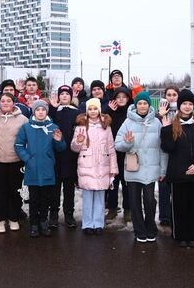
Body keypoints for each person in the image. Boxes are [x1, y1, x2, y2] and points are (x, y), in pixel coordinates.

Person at [160, 89, 194, 248]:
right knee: (179, 206)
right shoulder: (172, 123)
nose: (187, 107)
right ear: (179, 105)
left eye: (190, 104)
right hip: (178, 174)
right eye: (184, 104)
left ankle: (191, 235)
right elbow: (167, 147)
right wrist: (166, 129)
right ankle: (180, 235)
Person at [115, 91, 166, 243]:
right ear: (135, 105)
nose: (142, 106)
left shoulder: (157, 123)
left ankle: (151, 228)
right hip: (133, 168)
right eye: (139, 103)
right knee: (134, 201)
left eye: (145, 103)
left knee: (150, 200)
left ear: (149, 105)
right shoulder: (127, 122)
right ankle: (139, 231)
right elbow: (118, 145)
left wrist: (163, 170)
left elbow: (163, 149)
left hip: (151, 169)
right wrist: (128, 143)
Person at [15, 100, 66, 238]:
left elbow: (61, 148)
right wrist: (27, 158)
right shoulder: (26, 127)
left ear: (46, 111)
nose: (41, 112)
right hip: (32, 168)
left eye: (43, 110)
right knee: (34, 199)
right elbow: (19, 145)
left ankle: (43, 222)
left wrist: (58, 140)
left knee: (45, 198)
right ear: (34, 112)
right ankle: (33, 224)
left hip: (47, 168)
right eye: (38, 110)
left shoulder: (53, 126)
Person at [71, 98, 118, 235]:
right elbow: (74, 148)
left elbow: (111, 148)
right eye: (90, 109)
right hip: (86, 166)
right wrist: (78, 141)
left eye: (95, 109)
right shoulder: (80, 127)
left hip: (102, 166)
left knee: (100, 198)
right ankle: (87, 224)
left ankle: (98, 223)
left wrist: (113, 169)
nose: (92, 111)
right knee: (88, 198)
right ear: (86, 111)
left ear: (99, 110)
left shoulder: (106, 127)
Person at [0, 93, 28, 233]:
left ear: (13, 102)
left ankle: (13, 218)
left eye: (8, 100)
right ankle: (0, 220)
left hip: (16, 161)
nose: (5, 103)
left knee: (14, 192)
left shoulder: (23, 119)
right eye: (2, 101)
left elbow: (29, 139)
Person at [48, 85, 82, 228]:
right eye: (61, 94)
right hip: (55, 156)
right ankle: (54, 215)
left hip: (71, 156)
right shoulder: (53, 111)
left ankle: (69, 214)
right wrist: (53, 108)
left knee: (69, 189)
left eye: (66, 94)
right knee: (54, 188)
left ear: (71, 97)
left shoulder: (78, 113)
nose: (64, 96)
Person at [105, 86, 133, 222]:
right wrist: (108, 111)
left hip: (128, 153)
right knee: (113, 183)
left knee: (127, 182)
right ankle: (112, 208)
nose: (121, 99)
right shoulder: (110, 112)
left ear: (128, 99)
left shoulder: (131, 113)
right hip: (113, 153)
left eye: (124, 97)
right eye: (118, 97)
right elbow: (102, 123)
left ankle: (128, 210)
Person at [156, 85, 179, 226]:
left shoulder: (183, 111)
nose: (171, 97)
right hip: (162, 154)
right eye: (168, 94)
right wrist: (161, 115)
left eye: (174, 94)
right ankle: (164, 216)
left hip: (177, 155)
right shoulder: (158, 113)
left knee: (176, 190)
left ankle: (175, 215)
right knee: (163, 188)